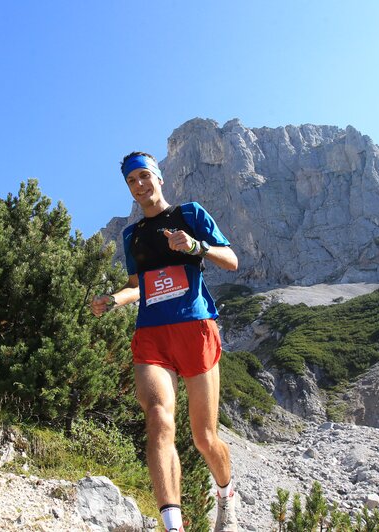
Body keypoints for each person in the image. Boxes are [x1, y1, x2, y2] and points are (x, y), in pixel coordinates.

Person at [91, 152, 239, 532]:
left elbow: (231, 260)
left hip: (195, 329)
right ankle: (173, 526)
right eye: (131, 181)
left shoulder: (190, 214)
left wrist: (195, 248)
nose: (139, 185)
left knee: (205, 438)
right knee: (158, 419)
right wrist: (112, 300)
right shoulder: (132, 235)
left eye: (144, 176)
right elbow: (136, 287)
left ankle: (225, 496)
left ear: (159, 177)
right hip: (152, 335)